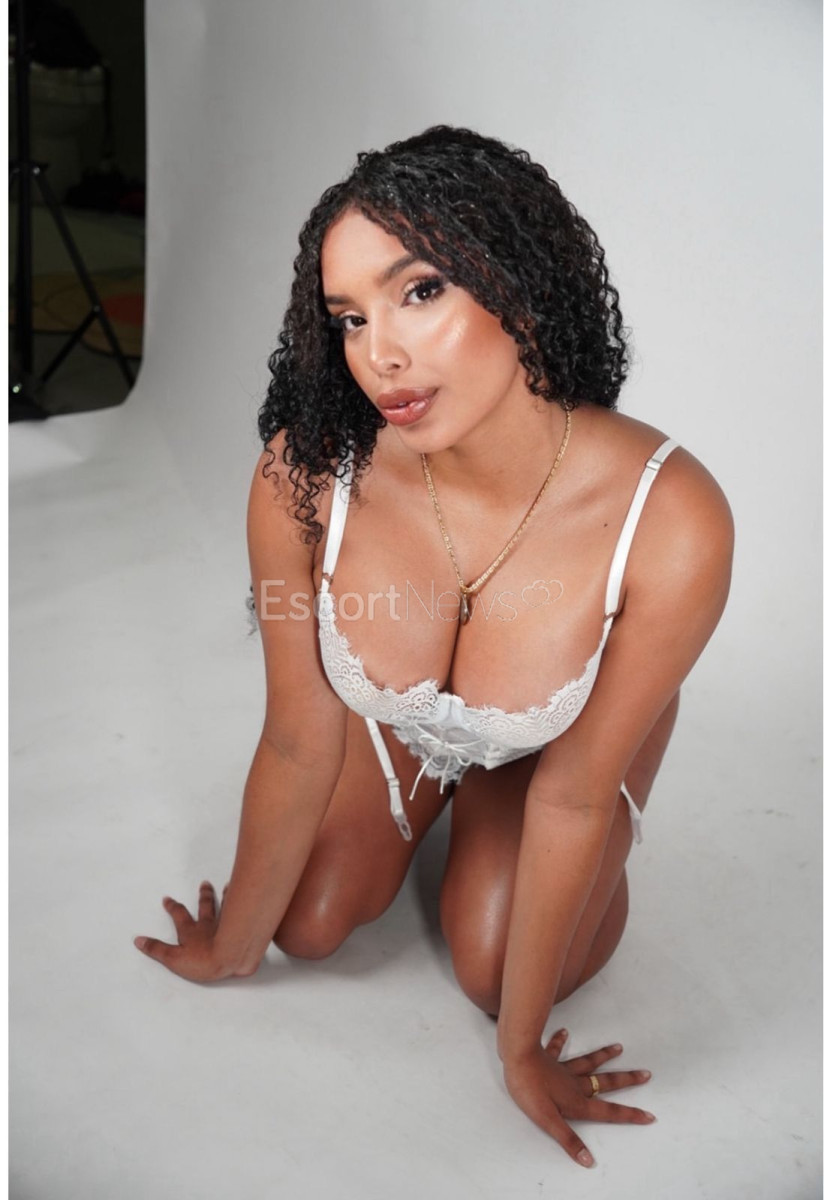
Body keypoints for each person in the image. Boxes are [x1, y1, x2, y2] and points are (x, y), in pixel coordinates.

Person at [134, 125, 734, 1169]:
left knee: (494, 969)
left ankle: (525, 791)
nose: (380, 355)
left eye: (419, 292)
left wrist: (519, 1053)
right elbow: (296, 737)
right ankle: (431, 788)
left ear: (518, 285)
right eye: (349, 317)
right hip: (400, 728)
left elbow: (571, 799)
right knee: (304, 926)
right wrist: (232, 950)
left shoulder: (670, 517)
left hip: (564, 755)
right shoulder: (304, 478)